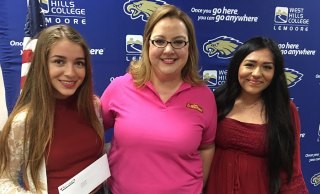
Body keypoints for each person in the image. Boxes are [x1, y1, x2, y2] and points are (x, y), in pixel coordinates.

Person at [100, 4, 217, 194]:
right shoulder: (120, 87)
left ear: (190, 47)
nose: (169, 50)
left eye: (178, 42)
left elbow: (206, 146)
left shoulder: (204, 96)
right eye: (160, 41)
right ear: (147, 44)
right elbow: (93, 131)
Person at [0, 24, 105, 194]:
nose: (71, 72)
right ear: (42, 65)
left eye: (79, 63)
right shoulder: (24, 122)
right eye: (59, 61)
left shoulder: (93, 107)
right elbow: (3, 179)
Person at [205, 37, 308, 194]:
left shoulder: (284, 110)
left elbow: (291, 171)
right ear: (237, 67)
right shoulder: (217, 101)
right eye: (250, 65)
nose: (256, 73)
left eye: (267, 67)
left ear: (275, 72)